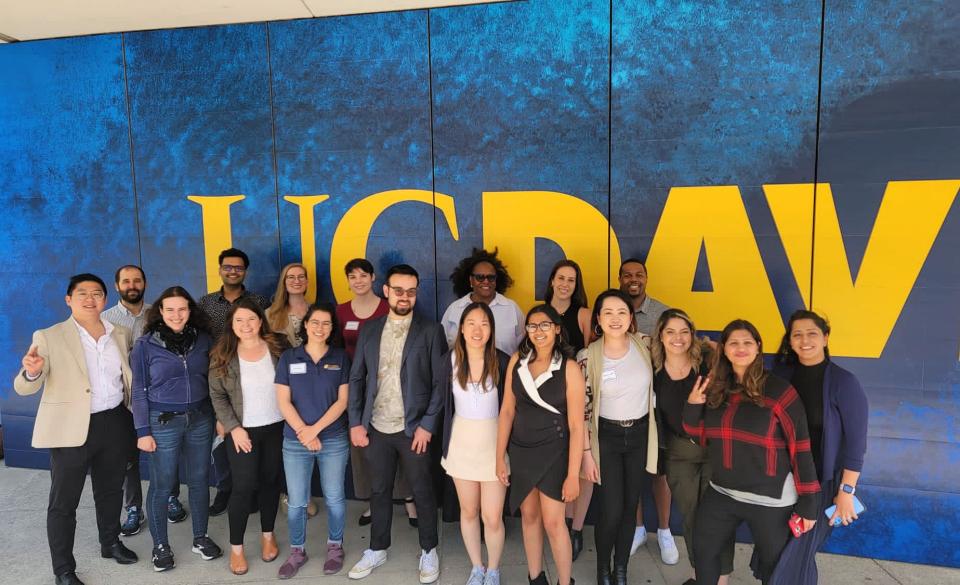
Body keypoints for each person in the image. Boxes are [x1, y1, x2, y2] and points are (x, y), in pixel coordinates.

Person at [14, 273, 139, 585]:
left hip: (114, 421)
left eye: (96, 293)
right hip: (72, 429)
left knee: (110, 491)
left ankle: (110, 542)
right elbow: (23, 387)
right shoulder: (49, 336)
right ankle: (63, 569)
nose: (89, 298)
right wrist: (31, 374)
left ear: (105, 299)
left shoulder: (119, 333)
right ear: (68, 299)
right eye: (81, 293)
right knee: (63, 502)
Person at [682, 319, 820, 585]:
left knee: (775, 568)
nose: (740, 348)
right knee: (704, 550)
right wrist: (691, 405)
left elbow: (800, 449)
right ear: (724, 349)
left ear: (758, 347)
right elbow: (697, 435)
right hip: (723, 491)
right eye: (733, 342)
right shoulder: (715, 388)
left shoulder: (780, 391)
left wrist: (809, 504)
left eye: (747, 342)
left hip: (771, 500)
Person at [346, 264, 447, 583]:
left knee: (423, 490)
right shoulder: (370, 329)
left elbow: (439, 384)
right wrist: (356, 422)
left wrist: (428, 425)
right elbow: (357, 377)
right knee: (379, 491)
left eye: (411, 291)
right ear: (386, 290)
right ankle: (377, 547)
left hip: (414, 429)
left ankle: (429, 549)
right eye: (399, 290)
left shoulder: (430, 330)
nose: (405, 296)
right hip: (375, 427)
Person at [765, 310, 869, 585]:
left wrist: (846, 492)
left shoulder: (844, 382)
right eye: (797, 334)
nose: (804, 340)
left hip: (821, 485)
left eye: (812, 333)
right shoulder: (781, 375)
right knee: (783, 551)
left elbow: (856, 445)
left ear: (825, 338)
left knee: (797, 551)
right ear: (789, 340)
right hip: (782, 481)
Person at [132, 286, 223, 572]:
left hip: (200, 418)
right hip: (163, 422)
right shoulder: (145, 345)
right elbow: (138, 390)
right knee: (162, 484)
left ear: (190, 311)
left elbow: (216, 381)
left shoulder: (205, 340)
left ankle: (200, 537)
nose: (176, 315)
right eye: (170, 309)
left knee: (199, 480)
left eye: (182, 309)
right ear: (160, 311)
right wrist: (142, 431)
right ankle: (161, 546)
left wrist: (221, 415)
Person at [496, 304, 585, 585]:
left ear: (557, 329)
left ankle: (564, 581)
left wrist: (573, 474)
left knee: (554, 522)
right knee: (529, 516)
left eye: (545, 325)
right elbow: (507, 411)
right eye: (533, 326)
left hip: (554, 452)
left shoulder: (569, 368)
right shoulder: (516, 361)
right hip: (521, 450)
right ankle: (535, 578)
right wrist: (500, 457)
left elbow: (576, 425)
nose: (539, 331)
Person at [578, 290, 660, 585]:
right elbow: (582, 411)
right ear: (598, 319)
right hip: (607, 439)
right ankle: (603, 570)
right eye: (608, 313)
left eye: (621, 312)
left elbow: (683, 351)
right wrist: (586, 453)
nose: (615, 318)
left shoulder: (647, 346)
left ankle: (621, 570)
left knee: (630, 506)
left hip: (639, 435)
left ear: (631, 317)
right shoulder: (587, 357)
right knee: (611, 510)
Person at [102, 264, 187, 536]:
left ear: (145, 284)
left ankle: (171, 497)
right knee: (128, 457)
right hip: (125, 399)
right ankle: (134, 509)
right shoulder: (105, 320)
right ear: (116, 286)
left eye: (137, 280)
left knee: (166, 453)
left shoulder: (159, 314)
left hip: (161, 398)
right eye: (126, 281)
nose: (132, 285)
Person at [209, 298, 289, 575]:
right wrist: (233, 427)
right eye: (239, 320)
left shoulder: (278, 346)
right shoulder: (223, 352)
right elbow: (217, 395)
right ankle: (237, 548)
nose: (246, 325)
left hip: (277, 427)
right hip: (242, 430)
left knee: (270, 482)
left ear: (260, 321)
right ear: (231, 324)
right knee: (242, 488)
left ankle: (268, 535)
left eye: (251, 319)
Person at [653, 309, 733, 585]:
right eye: (671, 332)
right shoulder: (654, 372)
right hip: (678, 454)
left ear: (693, 335)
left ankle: (720, 580)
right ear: (660, 336)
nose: (678, 338)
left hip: (713, 450)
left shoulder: (708, 364)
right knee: (691, 518)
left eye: (684, 331)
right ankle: (701, 576)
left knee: (717, 517)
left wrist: (717, 347)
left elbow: (741, 359)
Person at [275, 303, 352, 578]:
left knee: (334, 497)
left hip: (332, 439)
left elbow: (343, 401)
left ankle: (335, 546)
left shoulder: (341, 358)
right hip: (295, 442)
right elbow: (283, 401)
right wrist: (303, 432)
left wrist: (314, 430)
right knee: (296, 501)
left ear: (332, 329)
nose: (320, 328)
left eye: (326, 323)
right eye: (315, 322)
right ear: (305, 325)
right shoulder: (288, 358)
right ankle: (297, 551)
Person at [335, 258, 412, 526]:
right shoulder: (342, 311)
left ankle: (408, 501)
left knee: (402, 444)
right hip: (358, 386)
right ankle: (371, 502)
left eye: (363, 275)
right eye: (352, 276)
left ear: (374, 278)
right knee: (364, 447)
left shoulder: (387, 306)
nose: (358, 280)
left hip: (391, 385)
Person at [440, 302, 511, 585]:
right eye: (471, 323)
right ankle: (477, 567)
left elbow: (510, 410)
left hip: (495, 443)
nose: (477, 329)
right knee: (468, 511)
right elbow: (441, 403)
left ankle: (493, 569)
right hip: (461, 442)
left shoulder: (504, 361)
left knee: (492, 516)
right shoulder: (449, 361)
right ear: (461, 328)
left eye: (484, 323)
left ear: (492, 329)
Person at [198, 247, 269, 516]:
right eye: (228, 266)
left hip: (252, 380)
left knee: (253, 442)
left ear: (245, 271)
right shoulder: (205, 304)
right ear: (220, 269)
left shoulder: (260, 301)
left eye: (238, 267)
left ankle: (250, 492)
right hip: (220, 381)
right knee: (222, 440)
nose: (233, 271)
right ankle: (225, 488)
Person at [618, 258, 678, 563]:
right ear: (619, 278)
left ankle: (665, 530)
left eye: (638, 274)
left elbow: (680, 349)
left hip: (658, 403)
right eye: (627, 274)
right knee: (632, 471)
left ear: (646, 278)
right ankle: (639, 528)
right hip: (623, 403)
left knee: (659, 470)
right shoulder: (613, 309)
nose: (633, 279)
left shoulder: (663, 313)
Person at [543, 259, 592, 560]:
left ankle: (576, 527)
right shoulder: (538, 312)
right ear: (551, 280)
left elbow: (588, 357)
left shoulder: (583, 314)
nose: (565, 284)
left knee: (582, 469)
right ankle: (558, 524)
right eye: (561, 278)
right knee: (556, 466)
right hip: (547, 401)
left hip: (578, 398)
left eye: (571, 280)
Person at [440, 247, 525, 355]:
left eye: (491, 277)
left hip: (504, 371)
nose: (486, 281)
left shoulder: (512, 308)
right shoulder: (455, 309)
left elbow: (523, 348)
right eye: (480, 277)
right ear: (471, 280)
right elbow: (443, 347)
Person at [266, 262, 312, 346]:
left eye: (301, 277)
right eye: (291, 277)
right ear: (284, 283)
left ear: (307, 282)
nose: (297, 281)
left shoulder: (316, 311)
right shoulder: (270, 314)